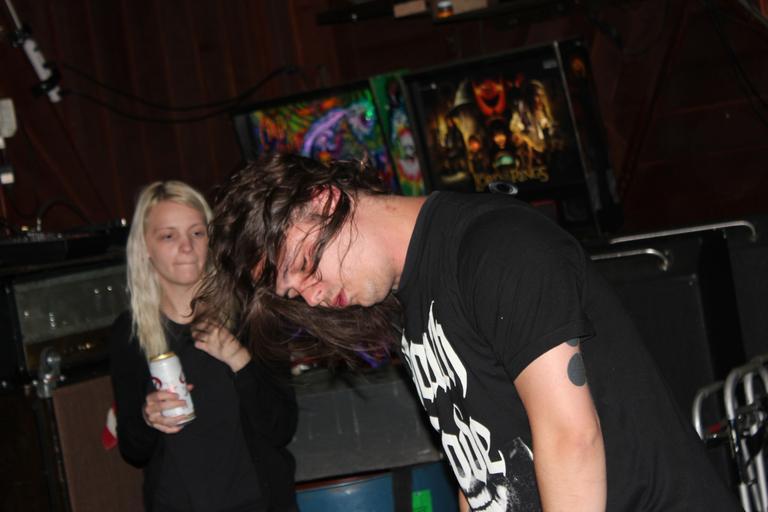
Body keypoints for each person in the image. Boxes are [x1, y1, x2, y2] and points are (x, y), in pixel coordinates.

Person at [199, 153, 740, 511]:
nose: (312, 296)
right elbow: (478, 473)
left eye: (305, 267)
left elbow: (570, 437)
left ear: (326, 200)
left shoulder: (494, 246)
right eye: (295, 293)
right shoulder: (410, 302)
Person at [109, 180, 298, 512]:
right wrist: (147, 417)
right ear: (145, 247)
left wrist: (240, 361)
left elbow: (281, 428)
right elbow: (133, 450)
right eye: (168, 236)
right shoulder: (130, 332)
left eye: (197, 233)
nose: (187, 247)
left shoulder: (252, 315)